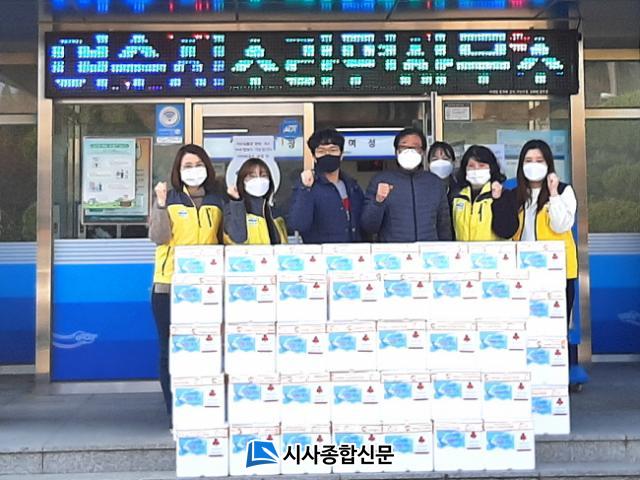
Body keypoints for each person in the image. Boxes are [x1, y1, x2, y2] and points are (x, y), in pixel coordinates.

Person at [149, 144, 223, 425]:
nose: (194, 170)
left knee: (204, 348)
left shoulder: (217, 201)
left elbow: (229, 238)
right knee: (170, 350)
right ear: (178, 171)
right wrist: (159, 203)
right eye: (187, 166)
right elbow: (158, 237)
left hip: (206, 287)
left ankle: (202, 407)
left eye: (198, 164)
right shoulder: (169, 199)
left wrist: (236, 202)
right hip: (169, 286)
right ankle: (175, 411)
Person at [511, 139, 587, 390]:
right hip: (524, 271)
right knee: (528, 325)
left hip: (558, 272)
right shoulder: (516, 194)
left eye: (539, 160)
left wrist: (553, 194)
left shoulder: (564, 191)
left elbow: (561, 224)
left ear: (549, 163)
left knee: (556, 326)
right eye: (528, 161)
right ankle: (531, 377)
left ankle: (558, 379)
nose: (533, 165)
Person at [360, 127, 452, 242]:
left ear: (423, 152)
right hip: (394, 252)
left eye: (415, 147)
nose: (409, 151)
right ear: (396, 152)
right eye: (404, 147)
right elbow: (368, 227)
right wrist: (378, 202)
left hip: (427, 251)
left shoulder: (435, 183)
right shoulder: (381, 180)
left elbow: (444, 226)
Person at [288, 128, 364, 243]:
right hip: (320, 253)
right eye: (321, 151)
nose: (327, 154)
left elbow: (363, 225)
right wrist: (305, 189)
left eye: (333, 150)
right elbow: (298, 224)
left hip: (353, 252)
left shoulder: (352, 186)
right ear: (314, 157)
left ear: (341, 154)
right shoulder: (308, 186)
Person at [452, 145, 518, 241]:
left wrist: (498, 200)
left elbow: (507, 232)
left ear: (491, 168)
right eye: (471, 166)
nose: (476, 170)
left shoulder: (503, 195)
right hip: (463, 251)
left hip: (493, 251)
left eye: (481, 166)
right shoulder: (458, 197)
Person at [224, 157, 287, 244]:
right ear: (242, 180)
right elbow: (238, 237)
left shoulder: (274, 213)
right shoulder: (232, 210)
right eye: (252, 176)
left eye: (263, 175)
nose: (258, 179)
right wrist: (236, 201)